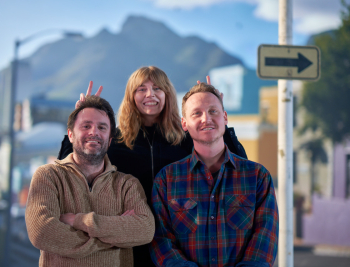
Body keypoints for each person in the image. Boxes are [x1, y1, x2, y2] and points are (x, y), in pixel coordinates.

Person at [57, 66, 247, 267]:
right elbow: (71, 171)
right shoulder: (115, 140)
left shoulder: (187, 139)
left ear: (167, 94)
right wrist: (80, 120)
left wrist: (217, 111)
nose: (150, 94)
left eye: (157, 88)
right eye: (141, 89)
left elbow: (236, 167)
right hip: (126, 242)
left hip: (179, 245)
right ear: (131, 96)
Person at [150, 83, 278, 267]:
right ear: (184, 123)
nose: (206, 119)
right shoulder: (166, 180)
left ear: (225, 117)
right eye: (197, 113)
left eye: (213, 111)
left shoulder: (258, 177)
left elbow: (265, 237)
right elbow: (161, 240)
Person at [25, 96, 155, 267]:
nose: (94, 132)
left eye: (102, 127)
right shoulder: (48, 176)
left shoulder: (127, 185)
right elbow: (42, 232)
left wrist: (78, 221)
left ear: (109, 141)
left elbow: (144, 230)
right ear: (70, 134)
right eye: (86, 126)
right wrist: (114, 239)